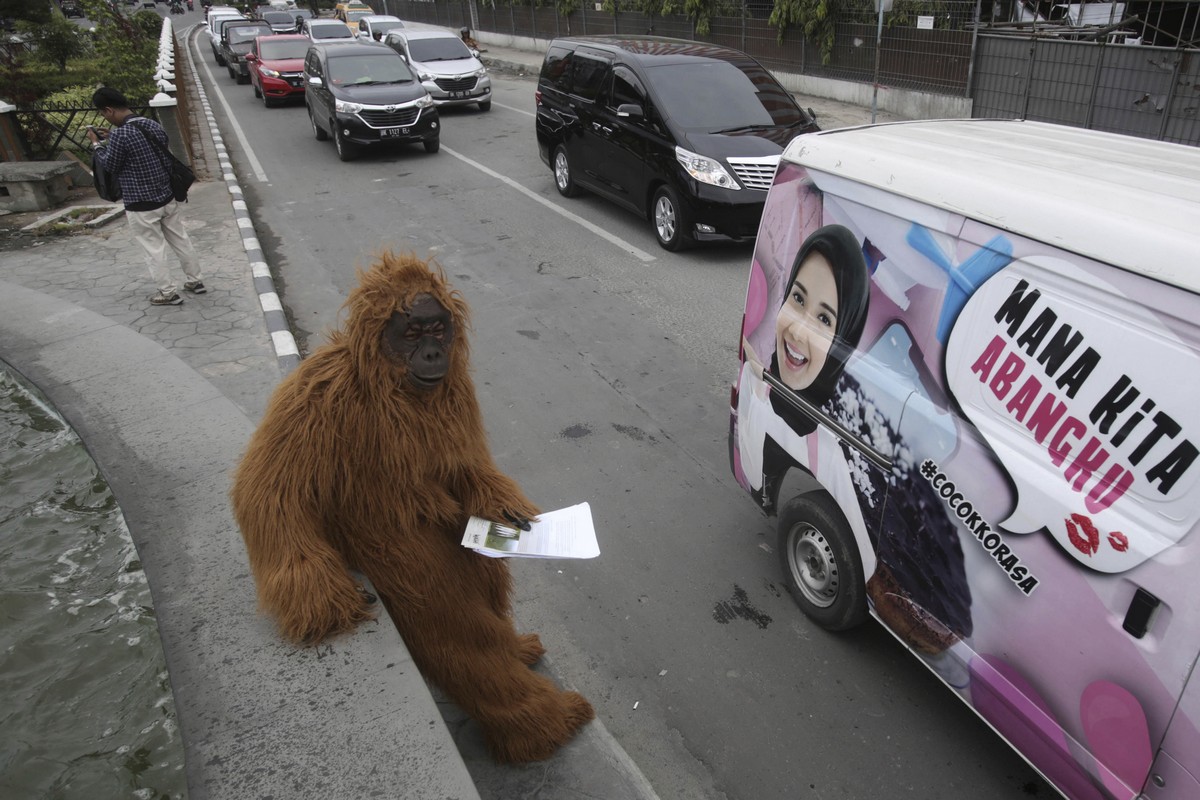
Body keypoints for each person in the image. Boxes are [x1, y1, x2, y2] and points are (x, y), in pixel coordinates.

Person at [737, 224, 871, 499]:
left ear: (845, 336)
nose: (798, 330)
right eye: (797, 298)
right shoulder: (756, 382)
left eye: (824, 319)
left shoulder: (833, 458)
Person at [87, 87, 205, 307]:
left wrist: (97, 145)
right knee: (180, 239)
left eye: (104, 113)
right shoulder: (150, 124)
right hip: (166, 196)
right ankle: (195, 281)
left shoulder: (122, 134)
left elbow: (111, 165)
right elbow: (146, 149)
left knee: (153, 249)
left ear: (109, 110)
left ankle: (168, 293)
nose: (105, 117)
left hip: (141, 204)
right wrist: (112, 137)